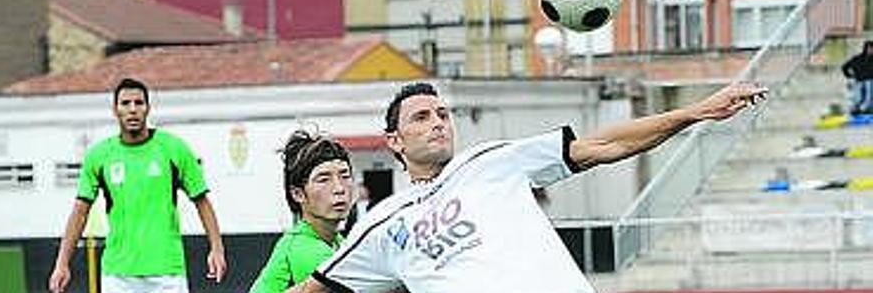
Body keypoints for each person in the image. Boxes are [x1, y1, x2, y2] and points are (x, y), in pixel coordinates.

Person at [285, 80, 767, 293]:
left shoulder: (493, 162)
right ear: (394, 140)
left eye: (443, 114)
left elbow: (602, 145)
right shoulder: (382, 224)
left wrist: (696, 111)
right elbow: (313, 290)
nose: (438, 123)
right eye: (421, 117)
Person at [48, 78, 226, 293]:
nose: (132, 110)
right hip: (118, 275)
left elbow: (202, 201)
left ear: (148, 108)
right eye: (125, 104)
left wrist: (216, 249)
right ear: (115, 110)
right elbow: (79, 213)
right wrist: (62, 263)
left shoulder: (173, 149)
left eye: (138, 103)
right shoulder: (99, 156)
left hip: (167, 272)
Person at [249, 130, 354, 293]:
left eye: (345, 176)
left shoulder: (338, 241)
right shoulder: (303, 247)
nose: (339, 188)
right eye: (324, 179)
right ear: (298, 194)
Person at [842, 40, 873, 114]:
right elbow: (844, 67)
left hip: (869, 81)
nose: (871, 50)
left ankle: (867, 107)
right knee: (858, 93)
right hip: (859, 80)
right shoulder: (857, 58)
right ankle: (856, 107)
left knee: (869, 86)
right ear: (866, 48)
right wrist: (849, 76)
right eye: (870, 48)